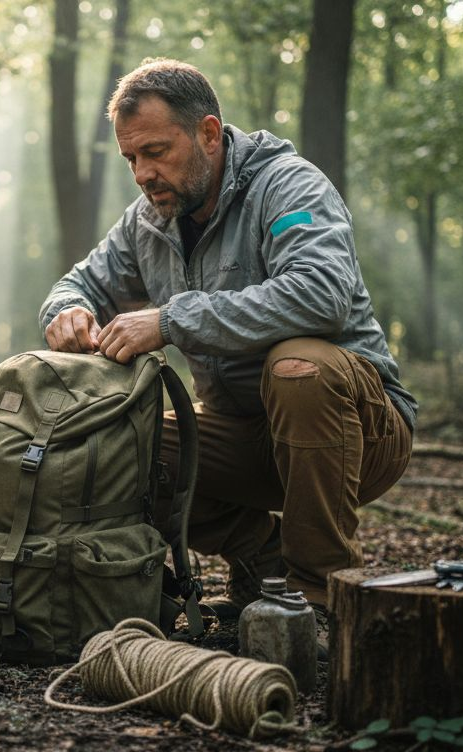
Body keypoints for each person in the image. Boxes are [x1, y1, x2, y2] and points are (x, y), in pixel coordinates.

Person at [39, 58, 416, 616]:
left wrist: (169, 320)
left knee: (298, 367)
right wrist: (68, 309)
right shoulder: (148, 220)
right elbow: (79, 283)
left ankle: (317, 596)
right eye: (131, 158)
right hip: (238, 436)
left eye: (156, 152)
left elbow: (322, 294)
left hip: (360, 433)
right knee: (106, 443)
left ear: (208, 134)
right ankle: (263, 560)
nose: (142, 173)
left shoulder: (287, 187)